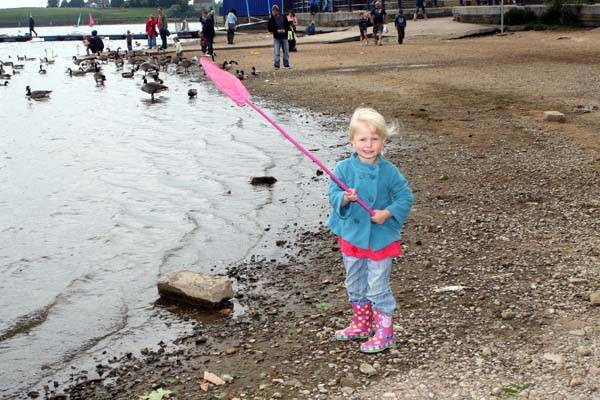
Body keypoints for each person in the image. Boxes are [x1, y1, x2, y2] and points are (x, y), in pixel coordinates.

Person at [328, 108, 413, 354]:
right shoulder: (344, 169)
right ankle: (362, 323)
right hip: (353, 236)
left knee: (377, 285)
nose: (368, 145)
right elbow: (332, 194)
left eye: (374, 139)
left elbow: (405, 197)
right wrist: (344, 198)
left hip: (379, 239)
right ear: (352, 140)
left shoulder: (388, 171)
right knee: (355, 281)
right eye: (363, 139)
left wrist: (387, 213)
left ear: (384, 141)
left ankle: (385, 332)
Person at [267, 5, 291, 70]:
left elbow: (288, 26)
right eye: (272, 11)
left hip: (284, 37)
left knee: (286, 51)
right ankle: (277, 65)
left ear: (277, 11)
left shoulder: (283, 17)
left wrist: (286, 32)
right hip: (277, 38)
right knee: (276, 52)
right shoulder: (271, 19)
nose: (273, 12)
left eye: (274, 11)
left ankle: (286, 65)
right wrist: (276, 31)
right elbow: (269, 28)